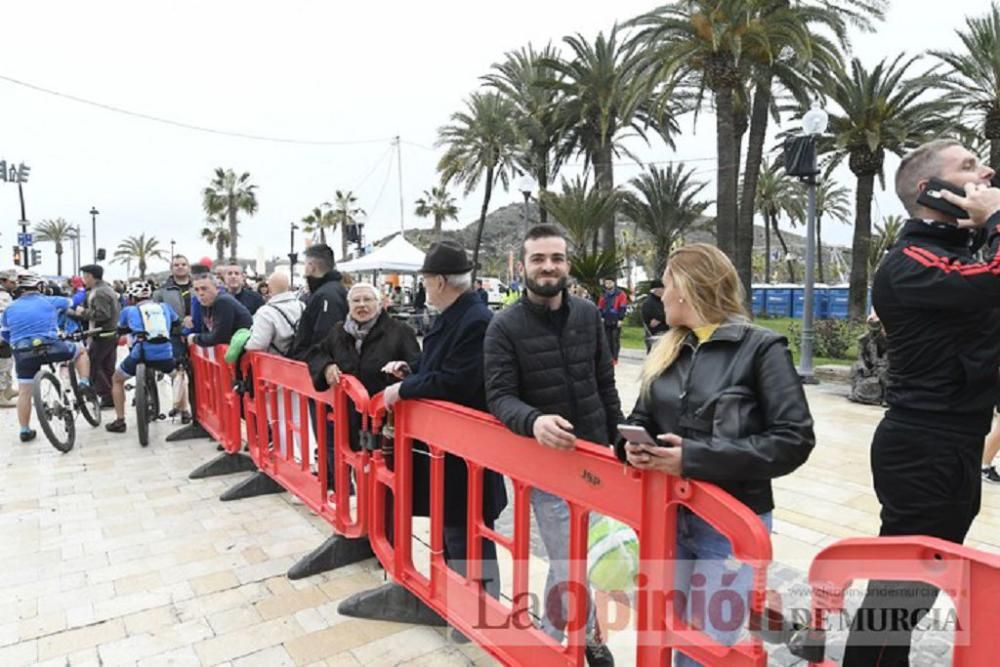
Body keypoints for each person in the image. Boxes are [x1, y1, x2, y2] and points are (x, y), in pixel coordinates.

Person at [843, 139, 1000, 665]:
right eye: (970, 166)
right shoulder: (910, 262)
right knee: (898, 598)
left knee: (912, 594)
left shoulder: (958, 252)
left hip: (954, 442)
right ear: (929, 190)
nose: (988, 171)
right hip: (923, 446)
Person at [618, 244, 814, 667]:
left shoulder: (761, 348)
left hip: (727, 526)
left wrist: (694, 458)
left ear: (686, 290)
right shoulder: (665, 349)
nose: (660, 295)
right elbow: (642, 415)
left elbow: (794, 439)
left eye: (667, 285)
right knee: (661, 637)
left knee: (702, 650)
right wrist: (631, 446)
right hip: (668, 519)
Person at [484, 224, 617, 665]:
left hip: (596, 460)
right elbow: (499, 396)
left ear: (567, 264)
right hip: (545, 466)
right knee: (573, 560)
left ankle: (549, 637)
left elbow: (604, 382)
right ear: (523, 266)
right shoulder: (503, 326)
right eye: (539, 259)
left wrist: (619, 439)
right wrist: (534, 420)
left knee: (574, 560)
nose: (548, 267)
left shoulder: (587, 314)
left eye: (556, 258)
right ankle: (587, 643)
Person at [380, 241, 508, 620]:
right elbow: (438, 368)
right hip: (447, 450)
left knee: (470, 532)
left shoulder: (475, 321)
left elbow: (456, 381)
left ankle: (484, 613)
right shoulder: (456, 315)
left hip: (466, 452)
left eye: (425, 281)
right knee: (453, 529)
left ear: (438, 281)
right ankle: (456, 603)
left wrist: (403, 389)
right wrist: (412, 372)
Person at [307, 282, 419, 475]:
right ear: (348, 305)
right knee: (359, 472)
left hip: (387, 421)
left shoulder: (400, 331)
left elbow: (417, 366)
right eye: (356, 300)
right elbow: (317, 353)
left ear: (379, 303)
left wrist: (403, 371)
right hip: (350, 419)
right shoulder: (339, 331)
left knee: (385, 475)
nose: (362, 305)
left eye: (367, 299)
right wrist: (327, 366)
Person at [1, 272, 92, 442]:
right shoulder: (51, 300)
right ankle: (84, 383)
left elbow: (5, 334)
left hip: (23, 353)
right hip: (53, 347)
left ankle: (25, 430)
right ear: (40, 287)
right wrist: (80, 287)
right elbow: (76, 300)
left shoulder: (9, 308)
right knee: (80, 351)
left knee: (24, 392)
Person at [105, 281, 178, 434]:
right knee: (178, 376)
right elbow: (176, 323)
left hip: (140, 353)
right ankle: (184, 411)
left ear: (131, 298)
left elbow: (121, 328)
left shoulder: (129, 310)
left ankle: (120, 420)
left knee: (117, 379)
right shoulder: (164, 307)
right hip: (165, 353)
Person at [72, 264, 121, 409]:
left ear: (90, 276)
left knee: (92, 365)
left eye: (85, 276)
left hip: (102, 334)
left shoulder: (99, 292)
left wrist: (82, 312)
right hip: (111, 334)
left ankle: (107, 396)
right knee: (107, 367)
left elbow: (102, 314)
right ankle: (111, 397)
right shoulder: (107, 289)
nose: (83, 279)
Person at [288, 244, 348, 360]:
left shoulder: (326, 295)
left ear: (311, 266)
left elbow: (324, 338)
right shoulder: (331, 290)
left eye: (305, 264)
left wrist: (320, 365)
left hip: (318, 369)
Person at [153, 254, 194, 423]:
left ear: (188, 267)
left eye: (183, 264)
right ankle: (184, 409)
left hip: (197, 334)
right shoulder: (162, 291)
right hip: (174, 335)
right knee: (179, 371)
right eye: (176, 264)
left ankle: (196, 407)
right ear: (172, 268)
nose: (180, 267)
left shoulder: (197, 287)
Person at [186, 271, 253, 348]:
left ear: (216, 288)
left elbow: (219, 337)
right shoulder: (205, 303)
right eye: (196, 290)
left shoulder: (223, 301)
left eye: (204, 288)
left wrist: (195, 338)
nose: (201, 293)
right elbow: (207, 332)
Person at [244, 272, 304, 357]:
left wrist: (245, 344)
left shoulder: (266, 312)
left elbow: (257, 345)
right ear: (289, 287)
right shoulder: (302, 306)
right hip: (301, 363)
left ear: (269, 288)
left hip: (275, 365)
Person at [597, 277, 627, 363]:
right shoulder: (603, 294)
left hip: (616, 319)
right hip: (605, 320)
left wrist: (620, 319)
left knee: (615, 340)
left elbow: (623, 306)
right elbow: (600, 306)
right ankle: (608, 357)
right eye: (606, 283)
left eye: (610, 283)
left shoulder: (620, 294)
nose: (608, 285)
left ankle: (615, 358)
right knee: (606, 339)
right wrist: (601, 316)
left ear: (614, 283)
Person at [0, 269, 18, 406]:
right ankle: (1, 395)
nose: (15, 284)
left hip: (5, 335)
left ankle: (7, 389)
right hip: (2, 335)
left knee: (8, 362)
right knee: (3, 364)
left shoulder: (5, 294)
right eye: (12, 282)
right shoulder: (3, 296)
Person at [639, 279, 668, 352]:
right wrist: (663, 317)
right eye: (663, 288)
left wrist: (660, 318)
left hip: (667, 334)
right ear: (656, 290)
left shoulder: (665, 300)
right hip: (655, 335)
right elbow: (652, 323)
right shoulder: (648, 303)